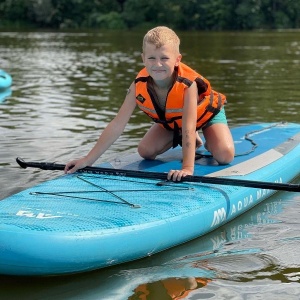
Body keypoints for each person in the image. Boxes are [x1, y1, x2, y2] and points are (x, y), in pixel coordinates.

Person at [64, 26, 234, 181]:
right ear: (143, 58)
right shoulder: (139, 85)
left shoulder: (188, 85)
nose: (157, 64)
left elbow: (189, 128)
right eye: (151, 58)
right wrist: (87, 160)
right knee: (145, 151)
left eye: (164, 58)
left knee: (224, 155)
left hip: (206, 116)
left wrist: (187, 168)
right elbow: (117, 124)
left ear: (177, 60)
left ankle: (209, 140)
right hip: (175, 122)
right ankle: (192, 141)